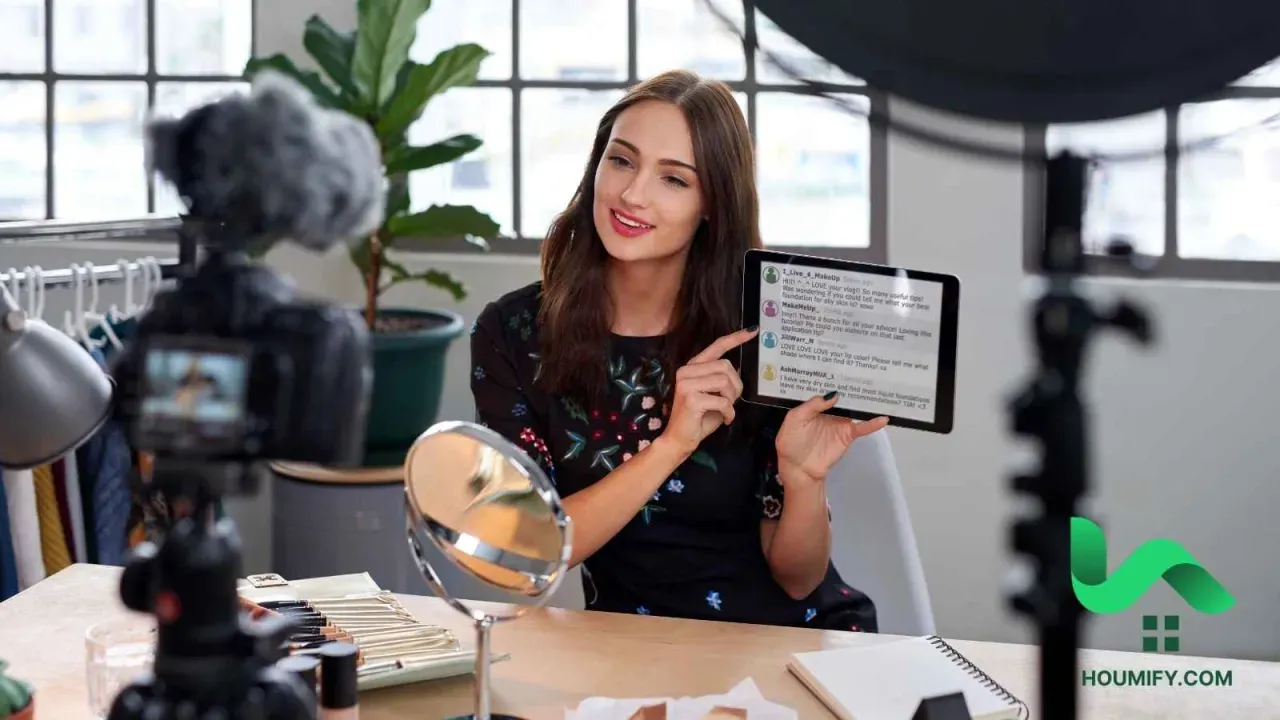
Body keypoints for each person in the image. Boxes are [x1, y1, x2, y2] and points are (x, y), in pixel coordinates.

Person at [469, 69, 889, 631]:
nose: (632, 194)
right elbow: (528, 549)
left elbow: (798, 580)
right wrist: (672, 444)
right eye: (621, 161)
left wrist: (803, 479)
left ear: (712, 204)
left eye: (673, 179)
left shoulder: (761, 333)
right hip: (632, 648)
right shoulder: (513, 333)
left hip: (786, 644)